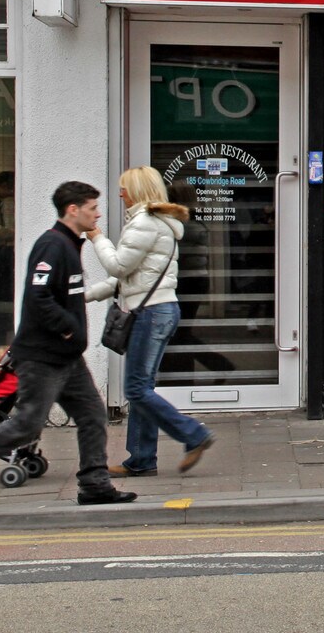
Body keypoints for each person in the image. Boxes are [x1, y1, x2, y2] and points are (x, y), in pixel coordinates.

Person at [0, 181, 137, 510]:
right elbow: (39, 297)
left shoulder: (70, 243)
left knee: (93, 415)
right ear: (73, 209)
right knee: (27, 425)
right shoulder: (52, 245)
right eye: (92, 207)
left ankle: (94, 483)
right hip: (42, 357)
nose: (97, 213)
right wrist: (68, 329)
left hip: (66, 358)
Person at [87, 166, 214, 477]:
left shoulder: (143, 223)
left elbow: (117, 267)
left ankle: (193, 434)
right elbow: (129, 279)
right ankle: (142, 459)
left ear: (138, 190)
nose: (120, 193)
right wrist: (85, 296)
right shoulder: (156, 223)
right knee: (142, 387)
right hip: (158, 309)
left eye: (124, 188)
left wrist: (97, 238)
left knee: (136, 388)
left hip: (151, 313)